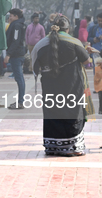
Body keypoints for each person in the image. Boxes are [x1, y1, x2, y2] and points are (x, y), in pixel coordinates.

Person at [31, 15, 96, 157]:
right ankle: (75, 147)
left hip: (50, 88)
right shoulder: (74, 42)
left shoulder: (41, 44)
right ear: (68, 29)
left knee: (53, 112)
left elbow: (34, 67)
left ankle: (53, 147)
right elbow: (87, 63)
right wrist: (87, 53)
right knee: (74, 113)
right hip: (72, 86)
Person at [5, 9, 27, 109]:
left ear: (16, 17)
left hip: (16, 55)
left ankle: (20, 102)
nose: (10, 18)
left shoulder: (17, 26)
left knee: (19, 78)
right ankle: (20, 101)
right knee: (19, 78)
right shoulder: (17, 24)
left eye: (11, 16)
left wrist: (9, 54)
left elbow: (15, 40)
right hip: (18, 54)